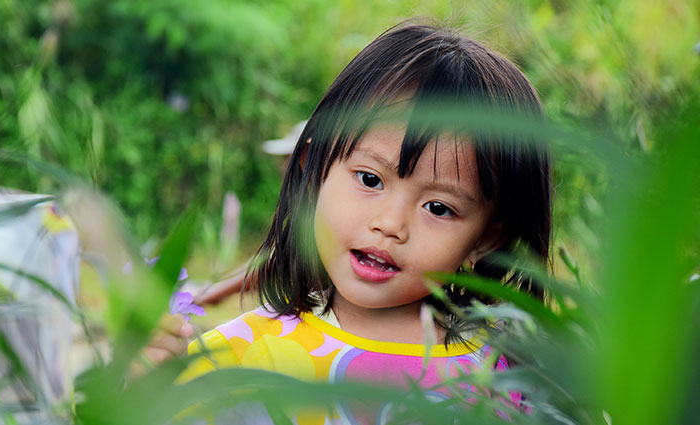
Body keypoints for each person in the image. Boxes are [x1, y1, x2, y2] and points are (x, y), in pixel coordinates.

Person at [154, 20, 551, 423]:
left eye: (438, 208)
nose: (390, 223)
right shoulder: (239, 358)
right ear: (313, 173)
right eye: (369, 179)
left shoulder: (506, 373)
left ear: (485, 238)